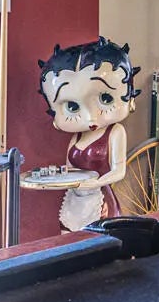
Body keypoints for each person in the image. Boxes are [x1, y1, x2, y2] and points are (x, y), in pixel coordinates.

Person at [37, 38, 140, 231]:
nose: (90, 117)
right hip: (74, 202)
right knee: (68, 238)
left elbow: (119, 171)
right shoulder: (76, 137)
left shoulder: (114, 132)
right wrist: (55, 177)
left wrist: (93, 183)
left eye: (105, 98)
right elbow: (69, 170)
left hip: (101, 202)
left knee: (98, 240)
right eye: (72, 106)